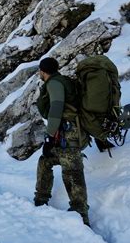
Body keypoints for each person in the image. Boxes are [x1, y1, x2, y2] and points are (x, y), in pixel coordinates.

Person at [34, 57, 91, 226]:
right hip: (65, 133)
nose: (39, 73)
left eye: (40, 70)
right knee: (45, 161)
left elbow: (56, 108)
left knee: (72, 171)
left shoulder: (55, 84)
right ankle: (40, 199)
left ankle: (81, 215)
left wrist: (50, 136)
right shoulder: (63, 81)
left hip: (69, 133)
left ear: (43, 71)